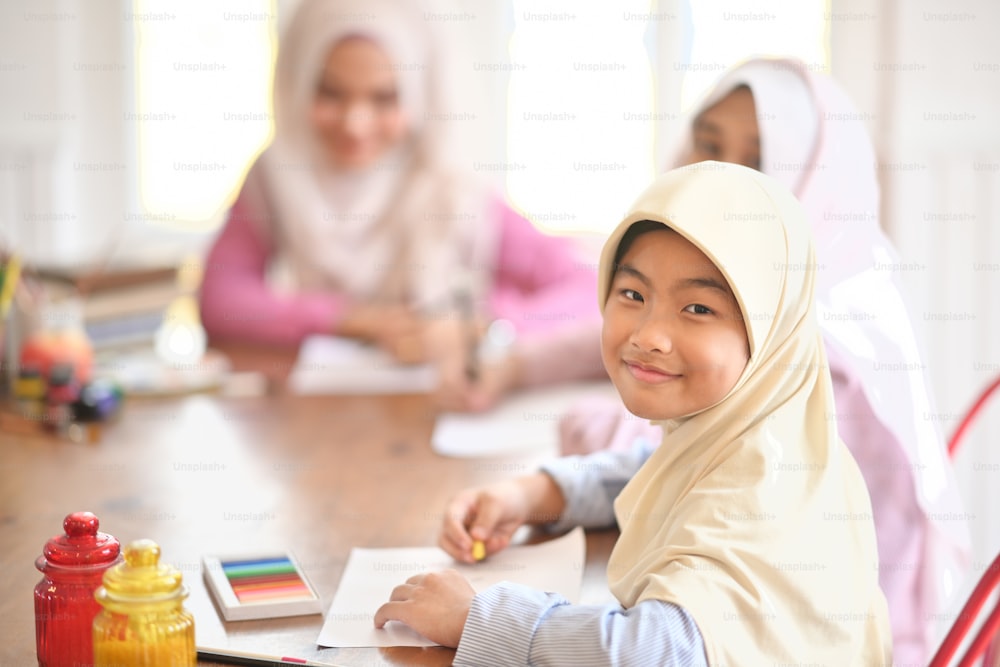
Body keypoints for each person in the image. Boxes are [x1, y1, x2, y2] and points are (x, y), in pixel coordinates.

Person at [374, 161, 893, 665]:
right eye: (632, 293)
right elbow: (655, 468)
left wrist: (478, 619)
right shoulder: (763, 433)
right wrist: (535, 494)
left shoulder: (759, 484)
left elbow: (651, 652)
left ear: (770, 331)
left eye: (698, 309)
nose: (647, 335)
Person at [557, 57, 970, 665]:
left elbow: (658, 642)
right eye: (708, 145)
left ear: (815, 174)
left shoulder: (821, 341)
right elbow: (688, 444)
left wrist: (494, 619)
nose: (724, 175)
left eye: (756, 159)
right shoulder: (825, 279)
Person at [197, 0, 605, 411]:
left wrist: (480, 327)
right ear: (298, 80)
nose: (355, 123)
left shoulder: (450, 188)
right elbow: (219, 299)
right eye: (331, 92)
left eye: (384, 98)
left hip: (437, 421)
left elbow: (590, 287)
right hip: (320, 422)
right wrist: (353, 318)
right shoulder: (280, 173)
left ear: (418, 94)